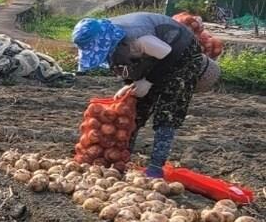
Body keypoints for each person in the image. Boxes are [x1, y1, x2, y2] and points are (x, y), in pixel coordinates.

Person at [72, 11, 213, 177]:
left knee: (168, 110)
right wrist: (130, 85)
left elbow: (169, 56)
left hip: (181, 56)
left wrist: (148, 81)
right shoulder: (112, 39)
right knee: (134, 109)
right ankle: (120, 160)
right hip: (156, 57)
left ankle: (156, 167)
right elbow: (130, 65)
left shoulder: (138, 38)